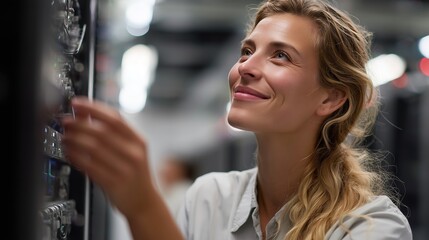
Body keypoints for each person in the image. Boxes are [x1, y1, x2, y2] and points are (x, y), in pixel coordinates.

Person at [61, 0, 413, 239]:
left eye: (280, 56)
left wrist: (143, 208)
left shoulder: (371, 227)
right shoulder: (209, 196)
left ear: (331, 97)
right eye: (247, 51)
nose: (245, 67)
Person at [157, 155, 194, 219]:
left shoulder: (184, 192)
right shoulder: (168, 191)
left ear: (181, 170)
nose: (162, 170)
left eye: (169, 166)